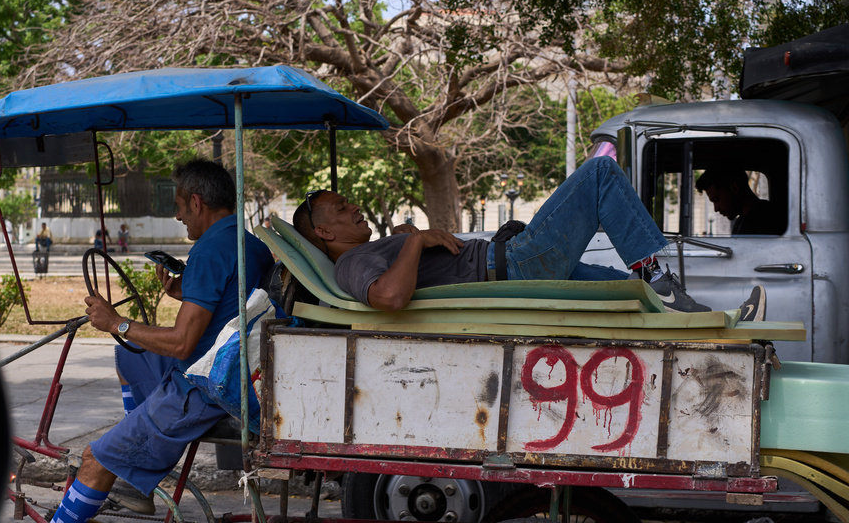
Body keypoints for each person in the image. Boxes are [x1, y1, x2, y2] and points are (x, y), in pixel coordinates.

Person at [0, 158, 276, 523]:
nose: (177, 216)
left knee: (95, 459)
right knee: (127, 359)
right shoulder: (245, 242)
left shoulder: (210, 249)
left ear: (197, 201)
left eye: (180, 207)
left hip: (206, 387)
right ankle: (135, 474)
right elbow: (220, 306)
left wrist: (117, 322)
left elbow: (183, 342)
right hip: (225, 367)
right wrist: (180, 293)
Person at [294, 156, 763, 318]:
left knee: (631, 294)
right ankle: (662, 281)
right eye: (341, 208)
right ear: (323, 231)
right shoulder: (350, 265)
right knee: (599, 173)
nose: (354, 206)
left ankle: (716, 319)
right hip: (515, 266)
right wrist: (416, 239)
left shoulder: (370, 250)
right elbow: (391, 299)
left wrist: (406, 241)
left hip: (509, 259)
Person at [695, 167, 785, 236]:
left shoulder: (766, 219)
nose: (716, 208)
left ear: (734, 188)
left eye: (717, 200)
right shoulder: (742, 221)